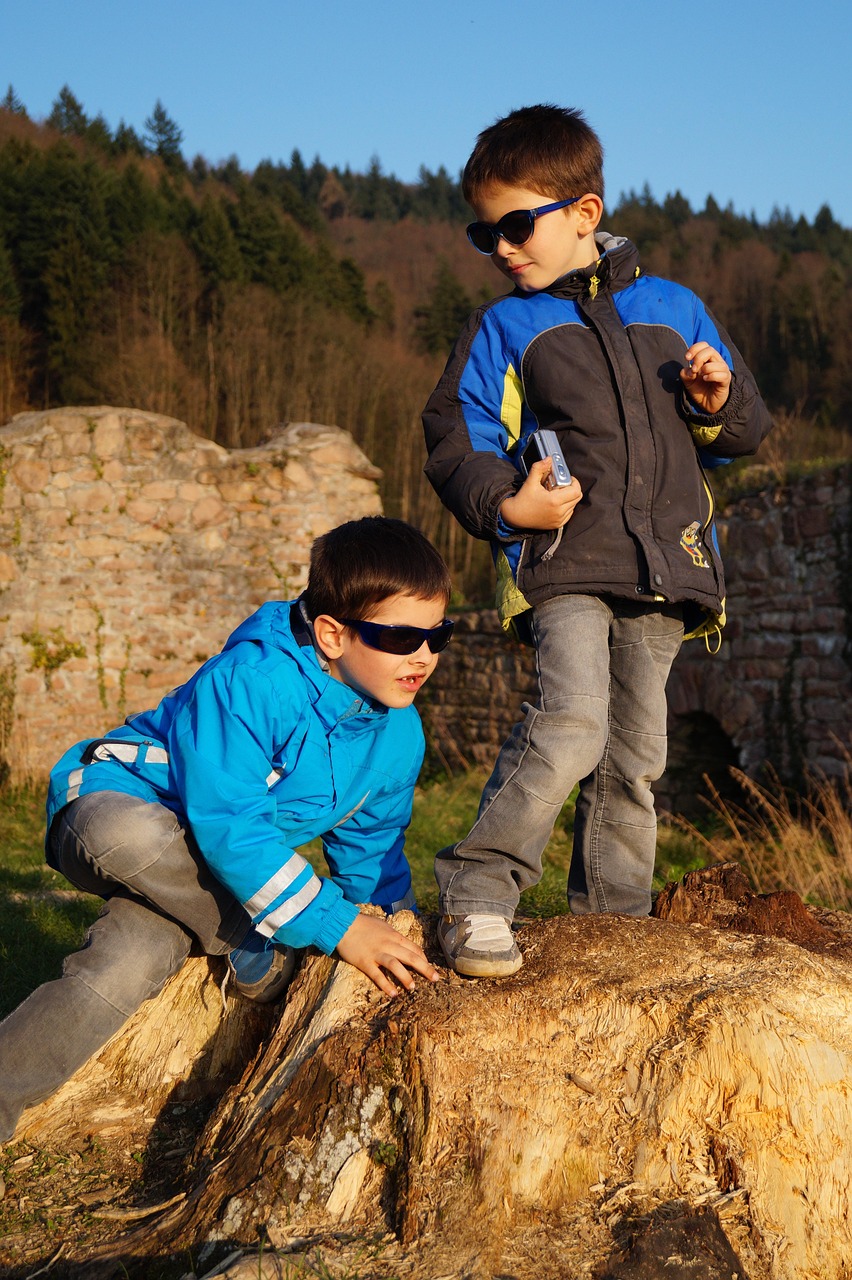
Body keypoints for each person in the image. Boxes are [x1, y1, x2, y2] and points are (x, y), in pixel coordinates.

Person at [422, 105, 773, 978]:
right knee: (572, 725)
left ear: (584, 212)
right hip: (565, 563)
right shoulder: (504, 328)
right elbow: (454, 439)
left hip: (666, 569)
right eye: (483, 232)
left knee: (635, 757)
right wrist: (511, 506)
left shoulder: (675, 306)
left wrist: (714, 398)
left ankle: (612, 929)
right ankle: (476, 897)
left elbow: (746, 429)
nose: (500, 247)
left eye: (515, 224)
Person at [0, 516, 451, 1141]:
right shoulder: (250, 683)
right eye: (399, 638)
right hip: (116, 807)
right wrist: (336, 926)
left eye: (438, 635)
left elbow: (371, 851)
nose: (423, 656)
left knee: (127, 960)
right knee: (127, 836)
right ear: (331, 634)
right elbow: (230, 825)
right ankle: (257, 945)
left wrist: (397, 934)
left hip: (210, 872)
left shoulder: (398, 735)